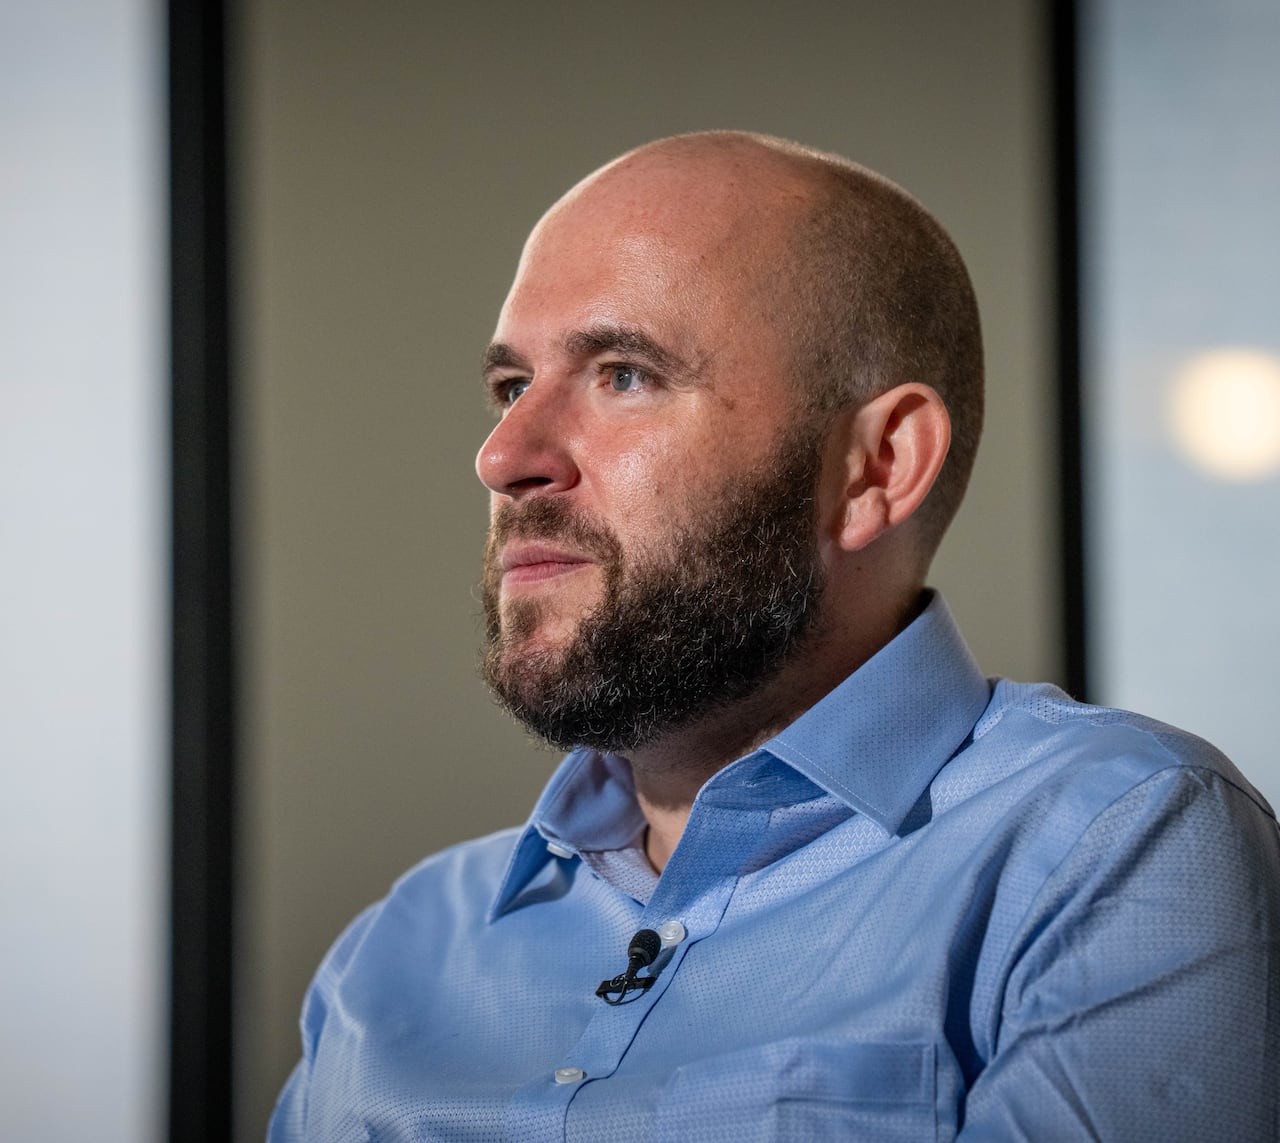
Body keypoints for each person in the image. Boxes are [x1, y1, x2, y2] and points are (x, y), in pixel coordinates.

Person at [269, 132, 1279, 1141]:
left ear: (875, 467)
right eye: (508, 388)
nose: (503, 457)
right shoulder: (391, 954)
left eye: (623, 374)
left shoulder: (1111, 849)